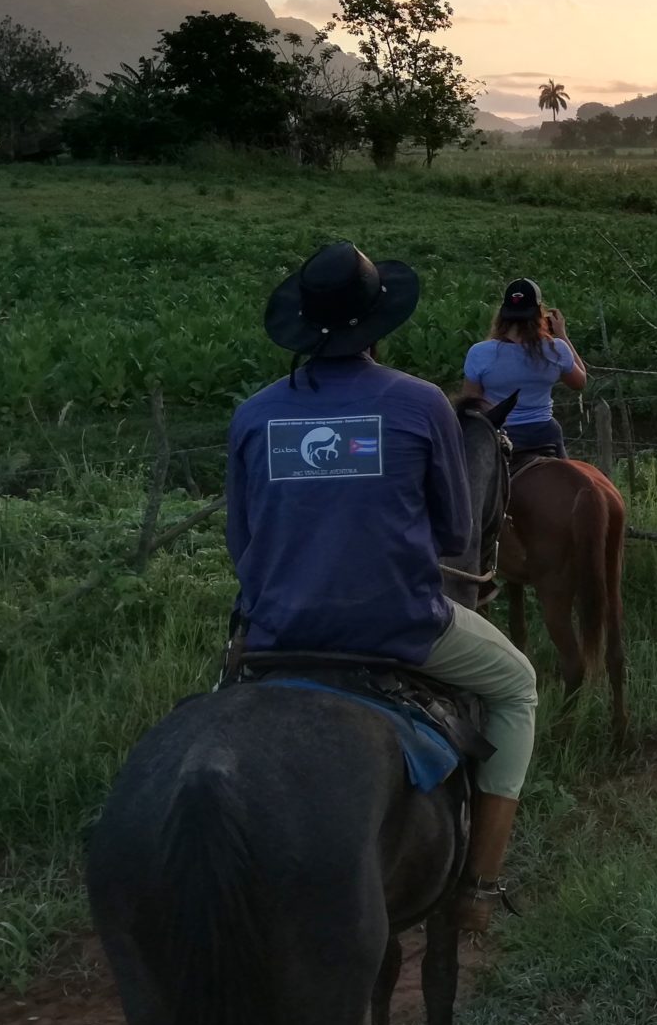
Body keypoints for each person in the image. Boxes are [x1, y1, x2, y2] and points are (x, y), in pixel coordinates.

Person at [226, 241, 538, 933]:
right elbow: (457, 534)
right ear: (379, 322)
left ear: (303, 325)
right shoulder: (422, 403)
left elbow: (241, 546)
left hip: (277, 634)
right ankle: (480, 887)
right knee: (517, 686)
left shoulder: (252, 415)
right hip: (397, 627)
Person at [462, 277, 587, 459]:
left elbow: (471, 405)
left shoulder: (480, 352)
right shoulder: (556, 349)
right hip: (545, 434)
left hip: (500, 436)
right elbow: (580, 382)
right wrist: (562, 335)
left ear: (503, 314)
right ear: (539, 314)